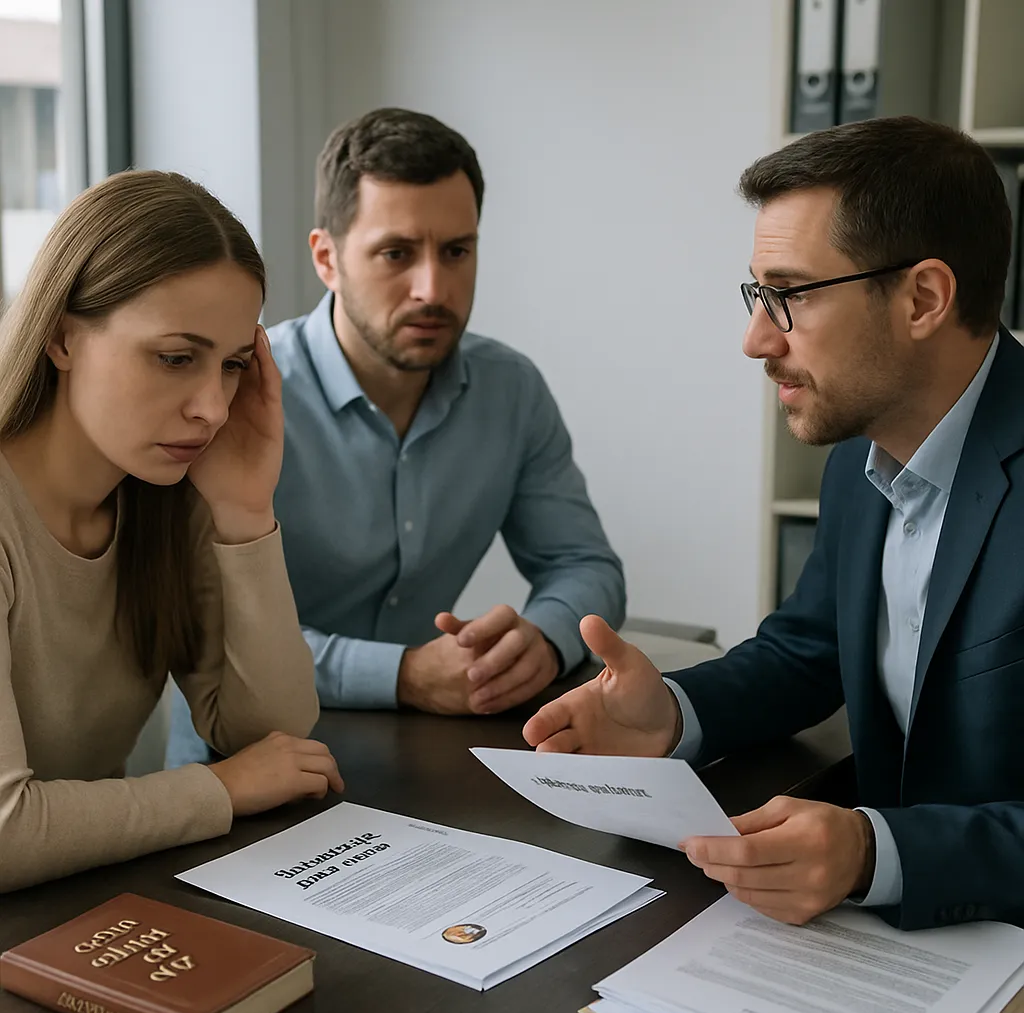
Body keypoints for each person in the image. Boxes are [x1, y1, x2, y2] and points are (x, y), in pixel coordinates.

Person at [524, 116, 1024, 931]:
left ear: (924, 299)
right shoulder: (865, 451)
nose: (756, 340)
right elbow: (809, 650)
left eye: (788, 296)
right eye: (758, 295)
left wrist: (876, 852)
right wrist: (674, 714)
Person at [165, 107, 624, 766]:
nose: (432, 288)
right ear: (327, 258)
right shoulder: (236, 395)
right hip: (236, 770)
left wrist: (543, 640)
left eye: (457, 251)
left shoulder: (512, 391)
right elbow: (205, 635)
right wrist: (403, 673)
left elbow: (586, 565)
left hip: (422, 762)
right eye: (397, 253)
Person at [0, 169, 342, 893]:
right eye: (176, 359)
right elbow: (5, 832)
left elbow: (270, 736)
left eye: (232, 367)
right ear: (62, 338)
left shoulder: (161, 494)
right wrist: (220, 791)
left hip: (75, 904)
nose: (212, 409)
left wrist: (248, 514)